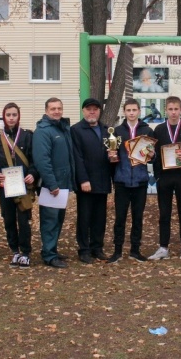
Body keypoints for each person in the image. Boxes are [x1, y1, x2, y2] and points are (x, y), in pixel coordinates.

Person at [149, 96, 181, 261]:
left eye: (176, 109)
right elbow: (153, 154)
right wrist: (157, 175)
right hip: (164, 177)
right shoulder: (158, 129)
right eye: (170, 109)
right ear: (166, 110)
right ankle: (163, 247)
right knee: (164, 213)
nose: (173, 112)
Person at [0, 102, 38, 268]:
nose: (11, 118)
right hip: (5, 187)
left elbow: (33, 160)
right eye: (8, 115)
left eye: (14, 115)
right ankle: (15, 251)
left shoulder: (27, 136)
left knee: (24, 220)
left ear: (19, 117)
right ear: (4, 116)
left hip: (23, 186)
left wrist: (32, 174)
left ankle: (25, 252)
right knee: (8, 219)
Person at [107, 98, 154, 263]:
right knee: (120, 218)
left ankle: (135, 250)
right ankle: (117, 251)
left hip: (140, 181)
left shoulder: (147, 130)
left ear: (139, 111)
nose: (132, 113)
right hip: (122, 180)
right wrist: (111, 157)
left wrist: (151, 155)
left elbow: (152, 159)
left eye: (134, 110)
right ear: (124, 112)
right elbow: (112, 156)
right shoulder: (117, 131)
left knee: (137, 217)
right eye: (128, 110)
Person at [32, 97, 76, 268]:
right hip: (51, 185)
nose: (56, 111)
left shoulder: (63, 128)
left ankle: (52, 249)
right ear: (46, 111)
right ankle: (49, 255)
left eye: (59, 108)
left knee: (58, 219)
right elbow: (42, 160)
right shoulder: (43, 131)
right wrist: (52, 184)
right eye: (53, 109)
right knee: (50, 220)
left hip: (63, 183)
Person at [71, 97, 115, 264]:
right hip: (86, 183)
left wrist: (113, 159)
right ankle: (84, 249)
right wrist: (83, 179)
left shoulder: (107, 130)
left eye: (95, 109)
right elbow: (77, 157)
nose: (92, 112)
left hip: (103, 180)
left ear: (99, 111)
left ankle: (97, 247)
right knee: (85, 217)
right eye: (89, 109)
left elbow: (111, 152)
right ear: (83, 111)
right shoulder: (76, 130)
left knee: (100, 217)